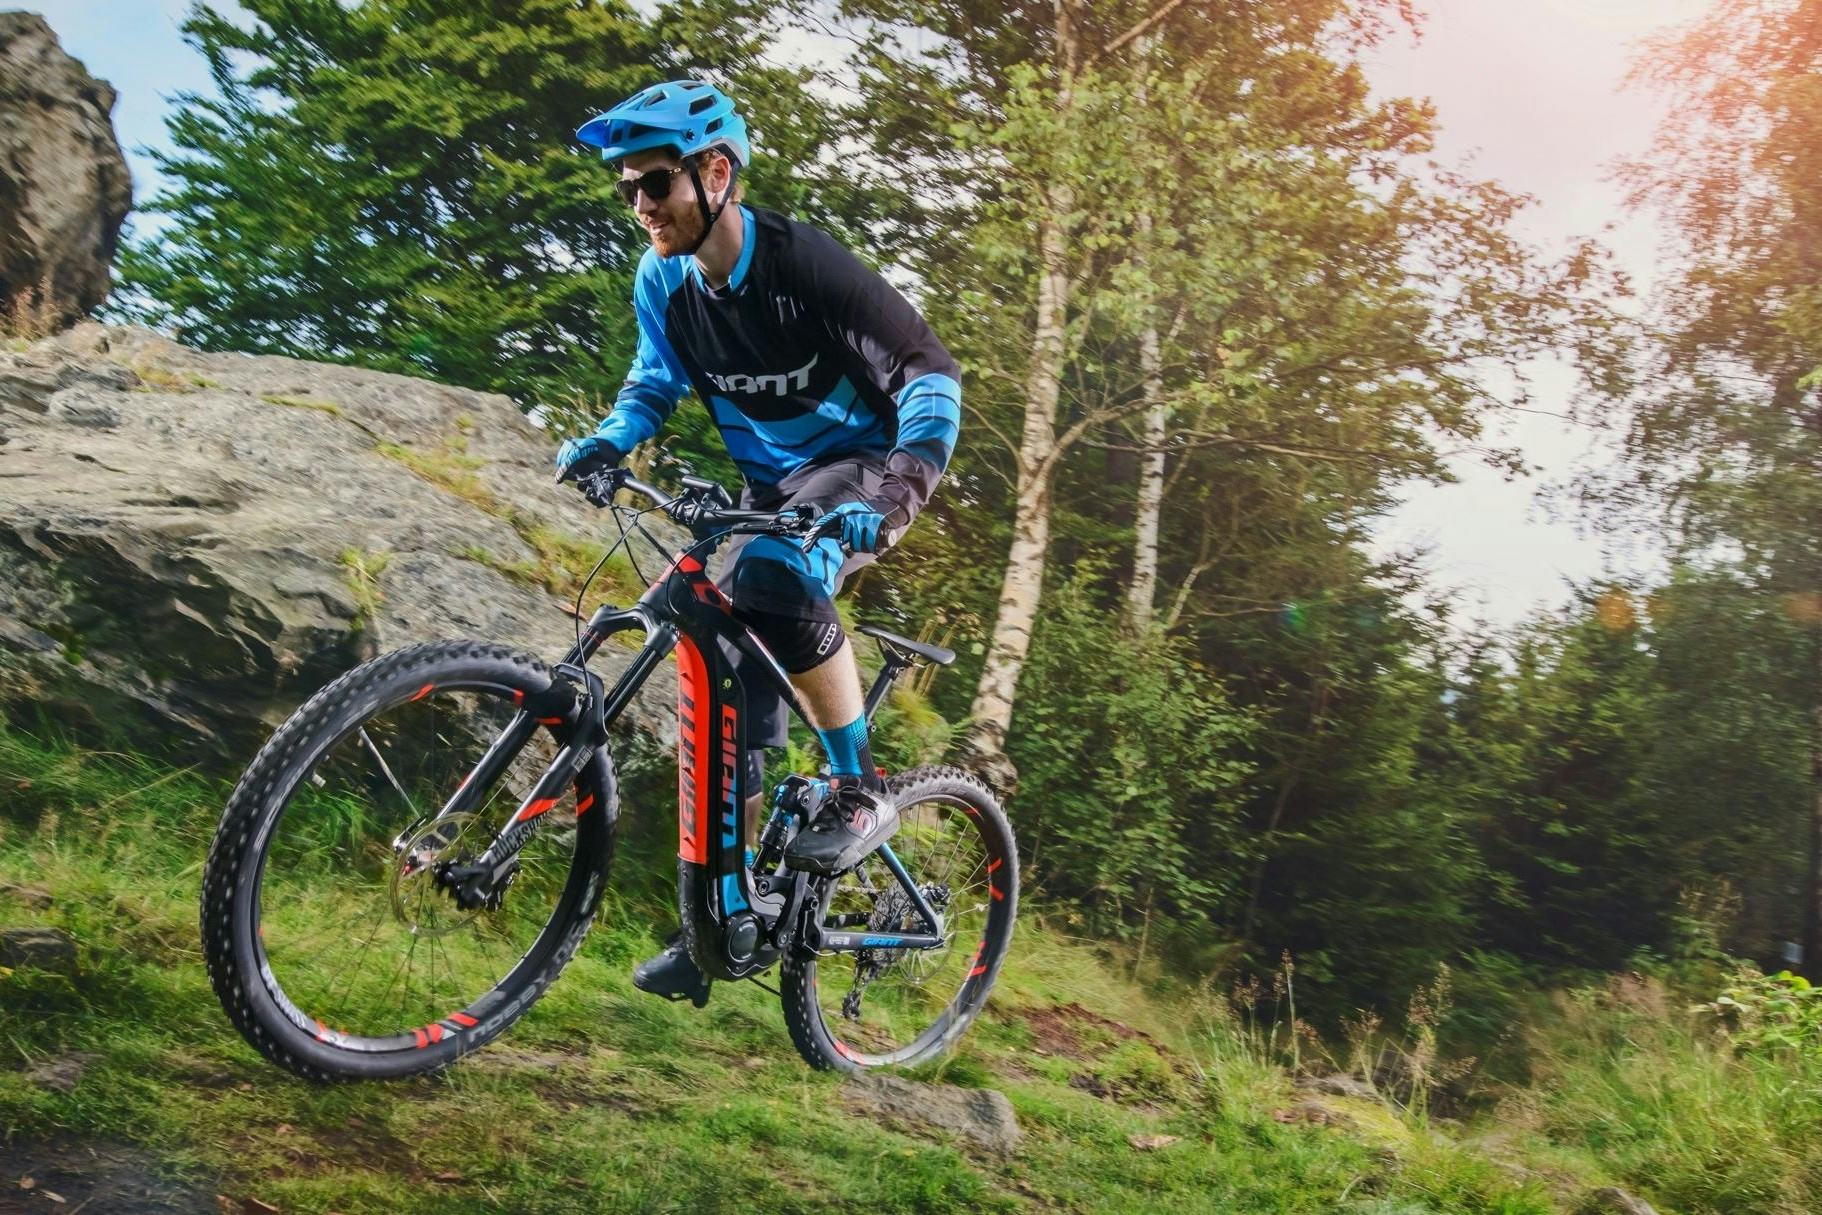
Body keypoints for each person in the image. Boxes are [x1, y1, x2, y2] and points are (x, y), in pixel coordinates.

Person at [556, 80, 962, 1005]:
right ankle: (719, 922)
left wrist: (897, 498)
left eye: (655, 182)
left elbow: (931, 374)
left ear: (715, 173)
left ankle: (860, 787)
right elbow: (653, 379)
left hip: (861, 469)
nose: (641, 204)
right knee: (711, 667)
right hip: (770, 488)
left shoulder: (805, 266)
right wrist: (613, 439)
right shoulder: (663, 281)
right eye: (629, 188)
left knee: (775, 579)